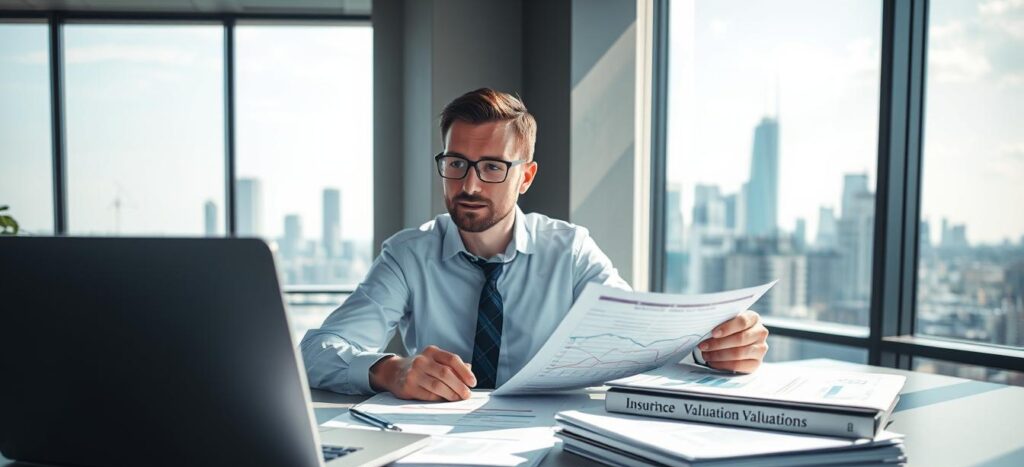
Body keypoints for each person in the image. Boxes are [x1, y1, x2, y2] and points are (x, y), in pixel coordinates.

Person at [301, 88, 769, 402]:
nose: (469, 184)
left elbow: (636, 333)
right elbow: (319, 350)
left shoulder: (570, 251)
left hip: (549, 444)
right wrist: (391, 370)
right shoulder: (408, 254)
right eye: (457, 163)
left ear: (525, 176)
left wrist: (711, 347)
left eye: (492, 168)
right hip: (434, 448)